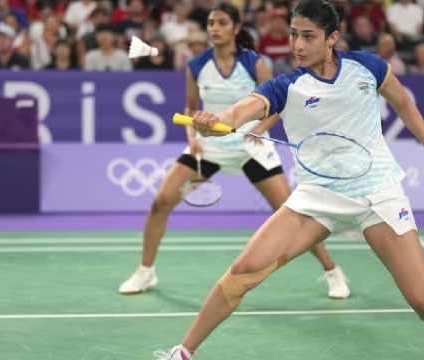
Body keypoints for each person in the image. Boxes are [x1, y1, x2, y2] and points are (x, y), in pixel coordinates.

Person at [155, 1, 424, 359]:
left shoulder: (368, 67)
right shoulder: (286, 85)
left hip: (377, 193)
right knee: (243, 272)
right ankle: (183, 352)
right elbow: (239, 113)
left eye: (308, 36)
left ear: (332, 38)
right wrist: (215, 121)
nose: (297, 45)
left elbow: (404, 104)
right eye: (293, 35)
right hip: (317, 196)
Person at [119, 1, 351, 301]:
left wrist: (261, 129)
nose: (214, 28)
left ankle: (332, 271)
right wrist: (193, 137)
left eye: (221, 23)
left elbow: (279, 101)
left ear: (236, 27)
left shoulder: (253, 62)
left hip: (249, 146)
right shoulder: (196, 65)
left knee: (294, 214)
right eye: (211, 23)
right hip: (211, 147)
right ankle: (145, 271)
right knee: (161, 202)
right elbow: (191, 109)